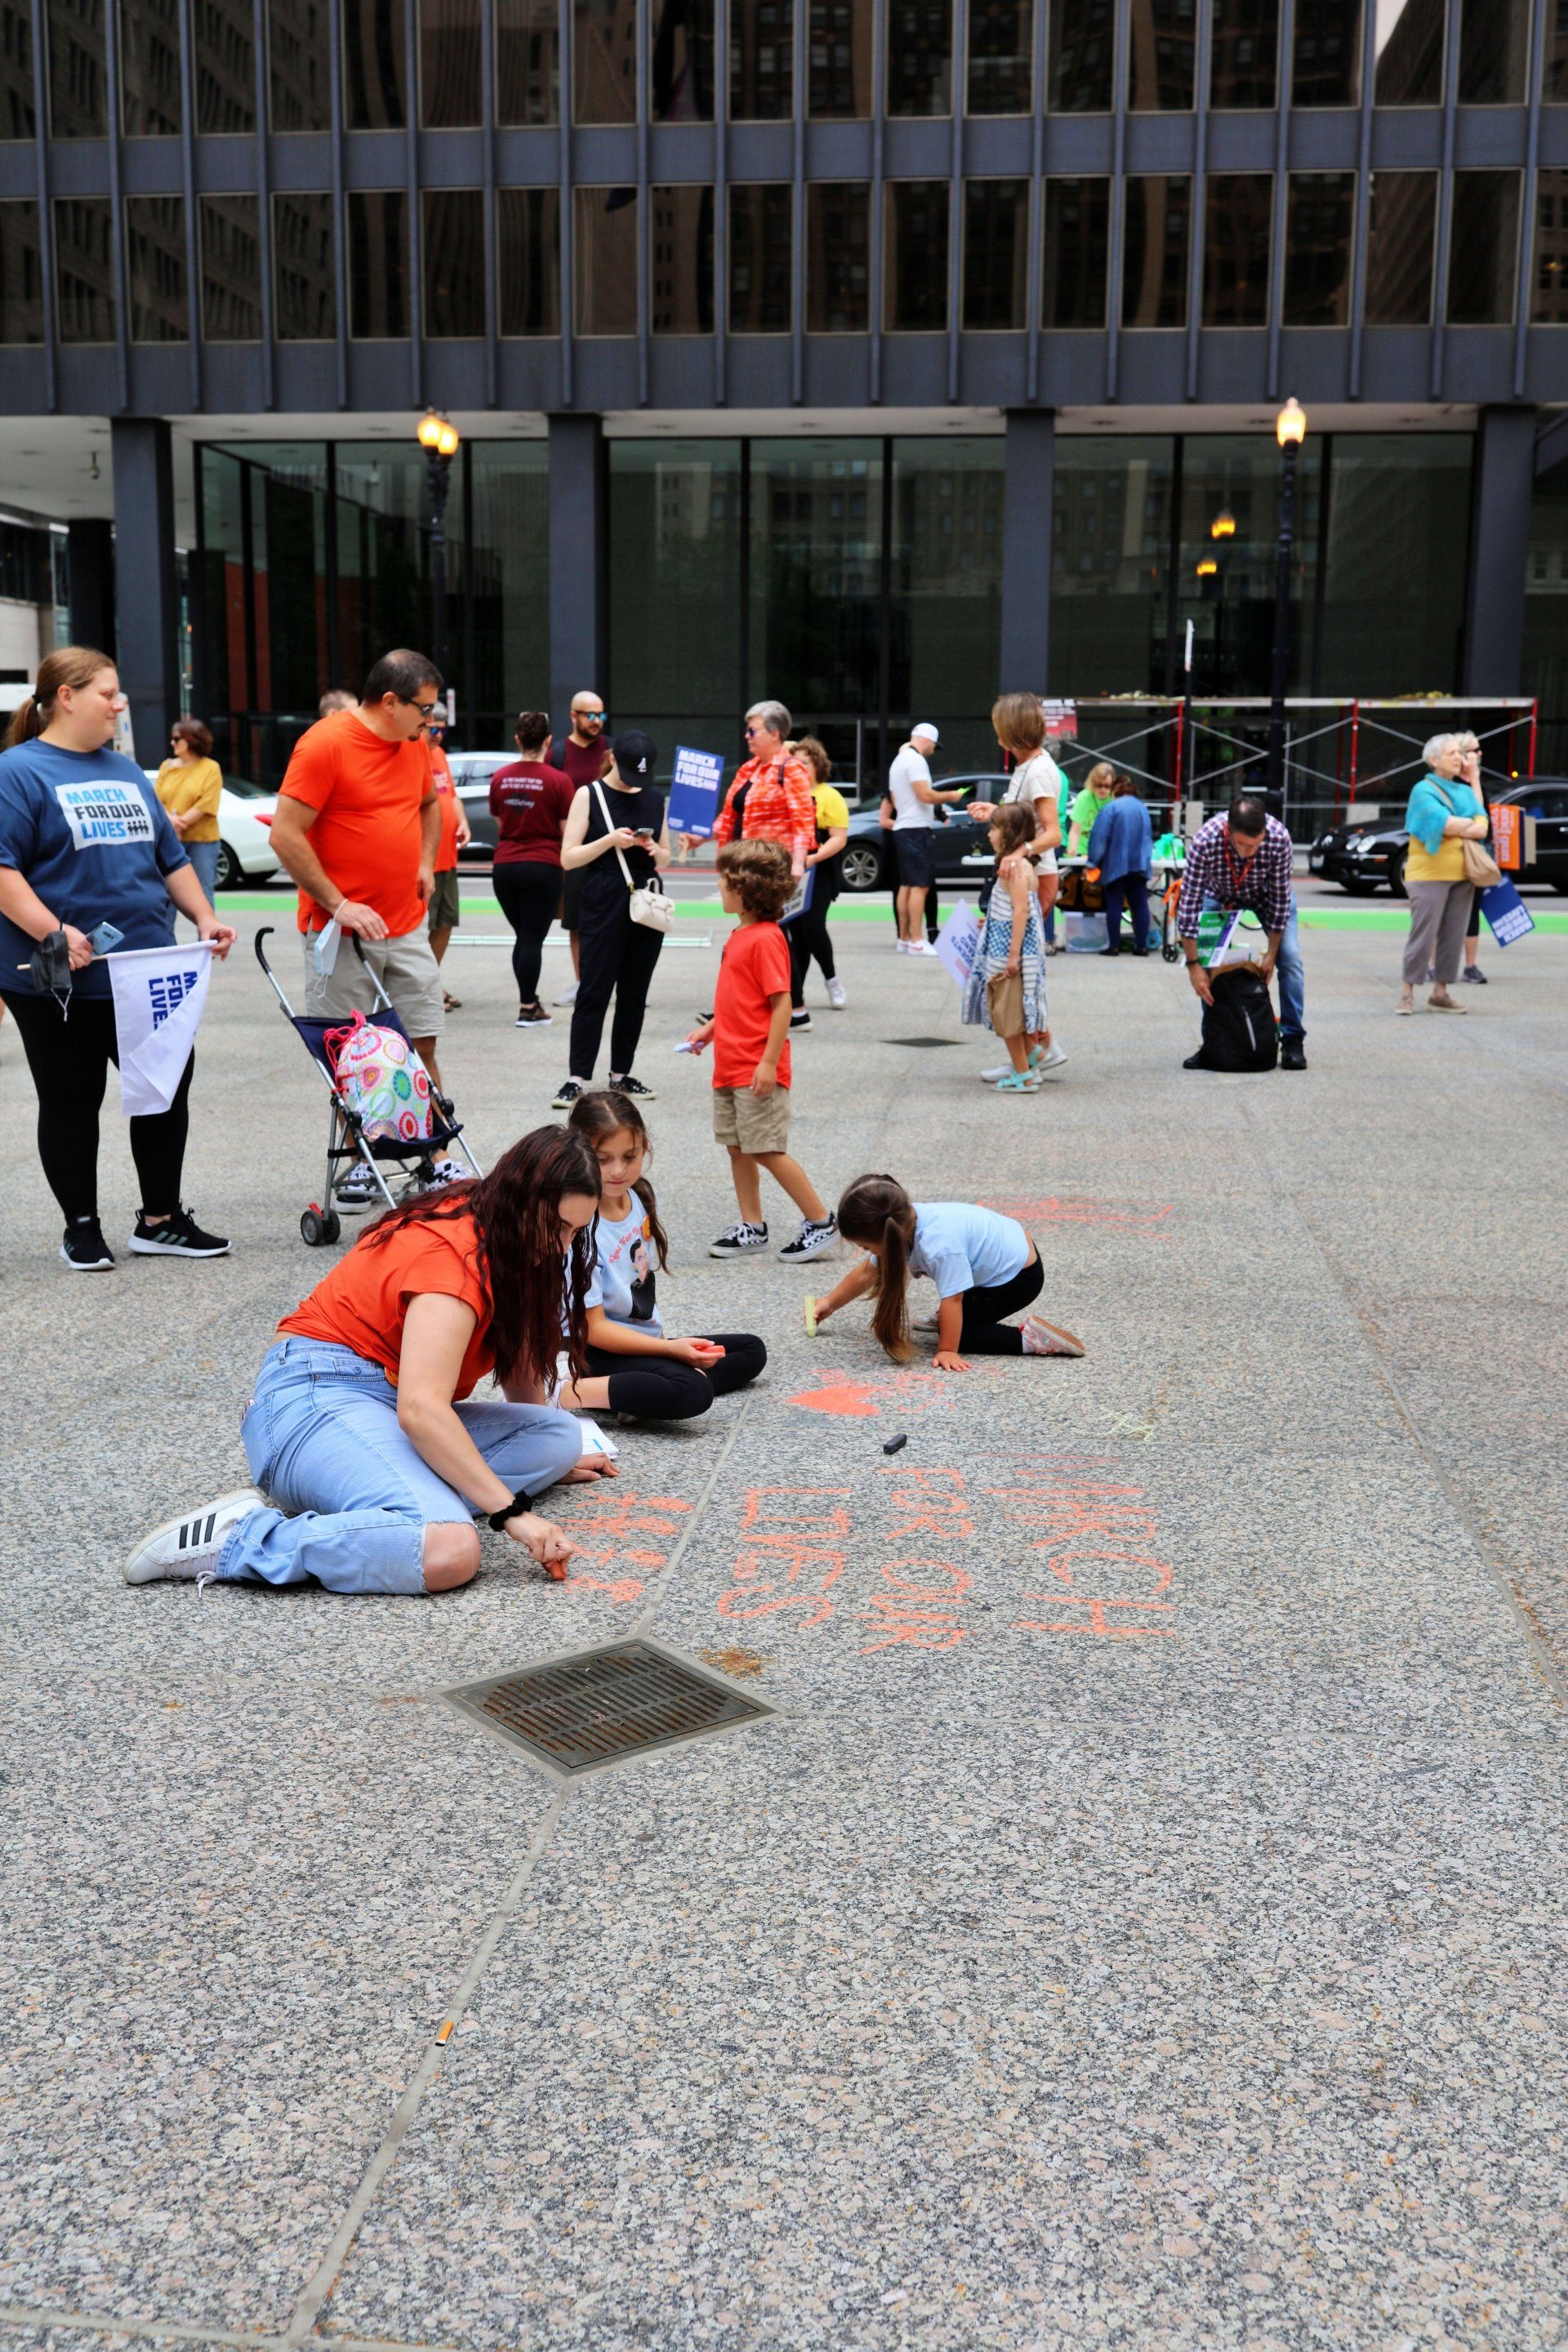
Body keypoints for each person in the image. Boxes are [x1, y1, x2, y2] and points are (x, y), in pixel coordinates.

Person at [121, 1127, 612, 1595]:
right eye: (555, 1226)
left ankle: (399, 1506)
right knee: (448, 1551)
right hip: (310, 1399)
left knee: (558, 1436)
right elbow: (421, 1411)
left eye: (574, 1231)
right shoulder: (456, 1261)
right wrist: (511, 1510)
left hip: (382, 1399)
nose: (560, 1246)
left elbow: (518, 1360)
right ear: (522, 1198)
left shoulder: (501, 1223)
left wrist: (545, 1461)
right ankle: (240, 1538)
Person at [0, 646, 236, 1270]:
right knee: (72, 1098)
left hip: (146, 970)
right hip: (57, 976)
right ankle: (81, 1227)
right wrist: (57, 931)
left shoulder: (129, 772)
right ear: (68, 697)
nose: (120, 702)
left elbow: (172, 861)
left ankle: (161, 1220)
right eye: (108, 692)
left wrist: (205, 917)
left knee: (165, 1090)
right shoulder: (18, 772)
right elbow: (3, 871)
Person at [269, 650, 448, 1207]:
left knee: (419, 1038)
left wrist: (423, 863)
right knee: (351, 1052)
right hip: (341, 933)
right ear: (389, 702)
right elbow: (285, 834)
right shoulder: (326, 744)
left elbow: (428, 807)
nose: (430, 722)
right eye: (424, 709)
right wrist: (338, 903)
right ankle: (361, 1160)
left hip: (405, 923)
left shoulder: (413, 745)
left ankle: (433, 1155)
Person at [556, 1089, 768, 1421]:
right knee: (694, 1390)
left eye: (630, 1156)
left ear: (645, 1148)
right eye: (603, 1159)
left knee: (751, 1350)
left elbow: (638, 1284)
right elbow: (594, 1330)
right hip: (593, 1352)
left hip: (642, 1340)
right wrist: (669, 1351)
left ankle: (642, 1392)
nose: (618, 1171)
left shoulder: (635, 1197)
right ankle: (572, 1393)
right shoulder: (580, 1225)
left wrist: (667, 1346)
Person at [685, 838, 839, 1262]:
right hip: (731, 1063)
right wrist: (712, 1030)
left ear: (746, 891)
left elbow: (782, 1002)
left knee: (766, 1148)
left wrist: (769, 1062)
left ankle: (821, 1221)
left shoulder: (766, 939)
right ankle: (752, 1225)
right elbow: (740, 999)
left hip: (756, 1066)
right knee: (738, 1147)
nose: (719, 887)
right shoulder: (741, 935)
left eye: (725, 881)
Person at [808, 1176, 1083, 1368]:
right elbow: (866, 1273)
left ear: (886, 1237)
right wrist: (829, 1302)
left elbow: (953, 1298)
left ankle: (1031, 1339)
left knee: (963, 1334)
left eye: (866, 1245)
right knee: (953, 1318)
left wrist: (947, 1349)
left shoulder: (938, 1246)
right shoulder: (903, 1220)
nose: (866, 1251)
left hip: (1017, 1278)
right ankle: (956, 1319)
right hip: (1004, 1255)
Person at [551, 729, 671, 1112]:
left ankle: (622, 1074)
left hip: (646, 900)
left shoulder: (655, 799)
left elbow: (667, 858)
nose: (635, 785)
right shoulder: (590, 794)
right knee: (594, 990)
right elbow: (568, 858)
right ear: (614, 759)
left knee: (635, 993)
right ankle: (577, 1077)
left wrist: (654, 848)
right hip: (603, 899)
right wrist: (609, 841)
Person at [1177, 791, 1307, 1071]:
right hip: (1219, 893)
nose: (1250, 852)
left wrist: (1272, 953)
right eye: (1243, 845)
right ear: (1228, 831)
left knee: (1291, 959)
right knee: (1209, 962)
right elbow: (1188, 906)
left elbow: (1281, 899)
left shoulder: (1278, 838)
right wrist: (1194, 965)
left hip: (1265, 895)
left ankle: (1293, 1040)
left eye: (1256, 845)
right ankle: (1214, 1042)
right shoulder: (1206, 840)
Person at [971, 693, 1067, 1066]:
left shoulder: (1038, 769)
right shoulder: (1031, 766)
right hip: (1030, 875)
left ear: (1011, 730)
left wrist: (1017, 852)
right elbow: (1032, 821)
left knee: (1016, 972)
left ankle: (1032, 1055)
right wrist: (997, 813)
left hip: (1033, 876)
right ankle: (1036, 1051)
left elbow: (1053, 833)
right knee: (1019, 973)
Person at [490, 710, 575, 1029]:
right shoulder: (559, 781)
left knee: (523, 936)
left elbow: (501, 821)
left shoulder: (500, 777)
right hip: (543, 864)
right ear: (548, 741)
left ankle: (530, 1001)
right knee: (531, 939)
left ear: (517, 739)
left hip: (506, 865)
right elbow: (567, 830)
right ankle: (528, 1008)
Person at [962, 802, 1050, 1094]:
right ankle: (1031, 1062)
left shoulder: (1012, 868)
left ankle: (1022, 1077)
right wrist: (991, 918)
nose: (989, 834)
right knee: (1018, 1014)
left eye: (994, 828)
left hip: (1008, 954)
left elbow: (1020, 912)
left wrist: (1012, 956)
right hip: (1019, 949)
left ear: (1008, 834)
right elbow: (1017, 907)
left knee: (1008, 1015)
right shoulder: (1026, 866)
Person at [1398, 734, 1487, 1018]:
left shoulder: (1463, 791)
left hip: (1462, 874)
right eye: (1451, 753)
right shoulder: (1422, 790)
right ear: (1434, 760)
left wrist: (1473, 782)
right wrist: (1468, 825)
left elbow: (1483, 822)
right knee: (1423, 934)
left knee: (1453, 934)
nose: (1458, 758)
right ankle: (1407, 993)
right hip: (1428, 875)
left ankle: (1441, 992)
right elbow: (1442, 823)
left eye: (1459, 753)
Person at [706, 701, 817, 889]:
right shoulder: (747, 769)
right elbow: (728, 818)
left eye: (752, 731)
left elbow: (803, 824)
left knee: (768, 916)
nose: (747, 736)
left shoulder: (791, 769)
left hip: (772, 867)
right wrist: (702, 835)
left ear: (774, 734)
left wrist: (798, 863)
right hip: (742, 864)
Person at [786, 734, 850, 1027]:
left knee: (813, 926)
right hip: (789, 867)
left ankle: (832, 979)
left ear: (817, 765)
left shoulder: (830, 796)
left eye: (805, 763)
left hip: (819, 866)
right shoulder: (786, 792)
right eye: (795, 762)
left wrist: (812, 858)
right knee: (796, 934)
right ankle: (794, 995)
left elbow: (838, 838)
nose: (799, 767)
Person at [887, 723, 968, 953]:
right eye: (933, 745)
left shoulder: (898, 761)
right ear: (928, 741)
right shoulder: (916, 761)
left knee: (907, 885)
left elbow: (895, 798)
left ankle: (904, 938)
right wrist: (951, 796)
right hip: (916, 829)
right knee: (920, 886)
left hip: (903, 826)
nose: (933, 750)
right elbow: (925, 794)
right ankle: (916, 940)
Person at [555, 689, 612, 1006]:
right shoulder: (559, 753)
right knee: (576, 921)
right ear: (573, 716)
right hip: (575, 851)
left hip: (614, 849)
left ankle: (616, 980)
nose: (597, 721)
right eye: (590, 715)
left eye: (601, 715)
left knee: (616, 919)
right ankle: (582, 983)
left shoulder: (612, 750)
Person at [425, 702, 471, 1013]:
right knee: (422, 929)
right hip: (424, 861)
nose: (439, 734)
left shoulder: (439, 754)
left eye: (443, 728)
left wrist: (463, 821)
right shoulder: (411, 754)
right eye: (433, 728)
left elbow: (450, 795)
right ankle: (424, 991)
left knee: (444, 924)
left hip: (447, 857)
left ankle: (431, 983)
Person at [154, 719, 225, 907]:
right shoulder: (167, 767)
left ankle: (208, 936)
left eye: (177, 739)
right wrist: (172, 822)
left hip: (203, 841)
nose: (172, 743)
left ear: (192, 740)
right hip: (171, 839)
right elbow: (157, 800)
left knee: (203, 893)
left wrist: (180, 822)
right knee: (167, 895)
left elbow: (207, 802)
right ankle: (167, 938)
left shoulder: (210, 768)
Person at [1088, 777, 1155, 956]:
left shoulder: (1111, 808)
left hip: (1116, 863)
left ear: (1115, 793)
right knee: (1140, 903)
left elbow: (1100, 838)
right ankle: (1141, 946)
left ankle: (1114, 946)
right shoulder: (1143, 808)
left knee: (1115, 903)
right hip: (1140, 863)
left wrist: (1093, 861)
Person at [1456, 729, 1490, 984]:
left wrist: (1475, 778)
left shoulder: (1477, 782)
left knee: (1473, 910)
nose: (1479, 754)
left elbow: (1482, 819)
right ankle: (1433, 965)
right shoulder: (1449, 783)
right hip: (1452, 856)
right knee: (1442, 911)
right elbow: (1472, 820)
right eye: (1474, 750)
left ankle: (1470, 965)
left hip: (1474, 856)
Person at [1067, 761, 1116, 857]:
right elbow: (1075, 830)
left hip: (1107, 852)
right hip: (1082, 850)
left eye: (1107, 786)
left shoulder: (1115, 799)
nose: (1103, 789)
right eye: (1099, 785)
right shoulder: (1084, 797)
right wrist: (1072, 848)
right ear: (1092, 783)